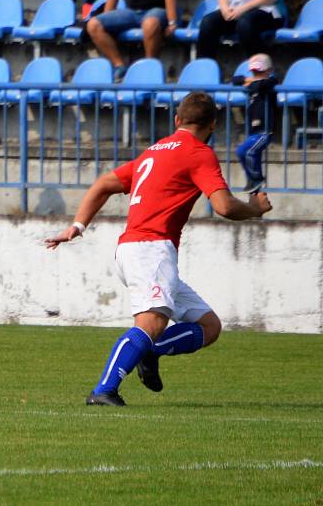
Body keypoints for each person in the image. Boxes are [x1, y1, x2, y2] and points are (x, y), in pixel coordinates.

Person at [45, 92, 272, 406]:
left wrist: (77, 226)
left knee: (209, 326)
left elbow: (102, 184)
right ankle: (103, 391)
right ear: (213, 125)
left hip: (134, 249)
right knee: (150, 324)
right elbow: (222, 206)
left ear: (177, 120)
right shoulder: (198, 152)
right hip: (151, 250)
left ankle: (150, 350)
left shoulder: (153, 152)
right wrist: (254, 209)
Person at [86, 0, 178, 81]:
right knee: (93, 25)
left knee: (149, 24)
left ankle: (149, 68)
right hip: (132, 12)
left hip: (156, 10)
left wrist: (172, 22)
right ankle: (119, 66)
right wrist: (107, 17)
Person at [197, 0, 285, 60]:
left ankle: (260, 69)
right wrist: (225, 9)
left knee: (245, 23)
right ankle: (203, 68)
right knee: (208, 23)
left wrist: (243, 9)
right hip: (235, 8)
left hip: (265, 8)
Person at [233, 53, 277, 193]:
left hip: (265, 130)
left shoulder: (269, 84)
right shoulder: (253, 82)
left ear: (269, 70)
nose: (256, 74)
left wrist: (252, 82)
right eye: (254, 71)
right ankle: (253, 181)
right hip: (253, 130)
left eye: (260, 71)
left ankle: (256, 178)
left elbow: (265, 83)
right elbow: (235, 80)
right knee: (245, 154)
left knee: (245, 151)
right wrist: (248, 79)